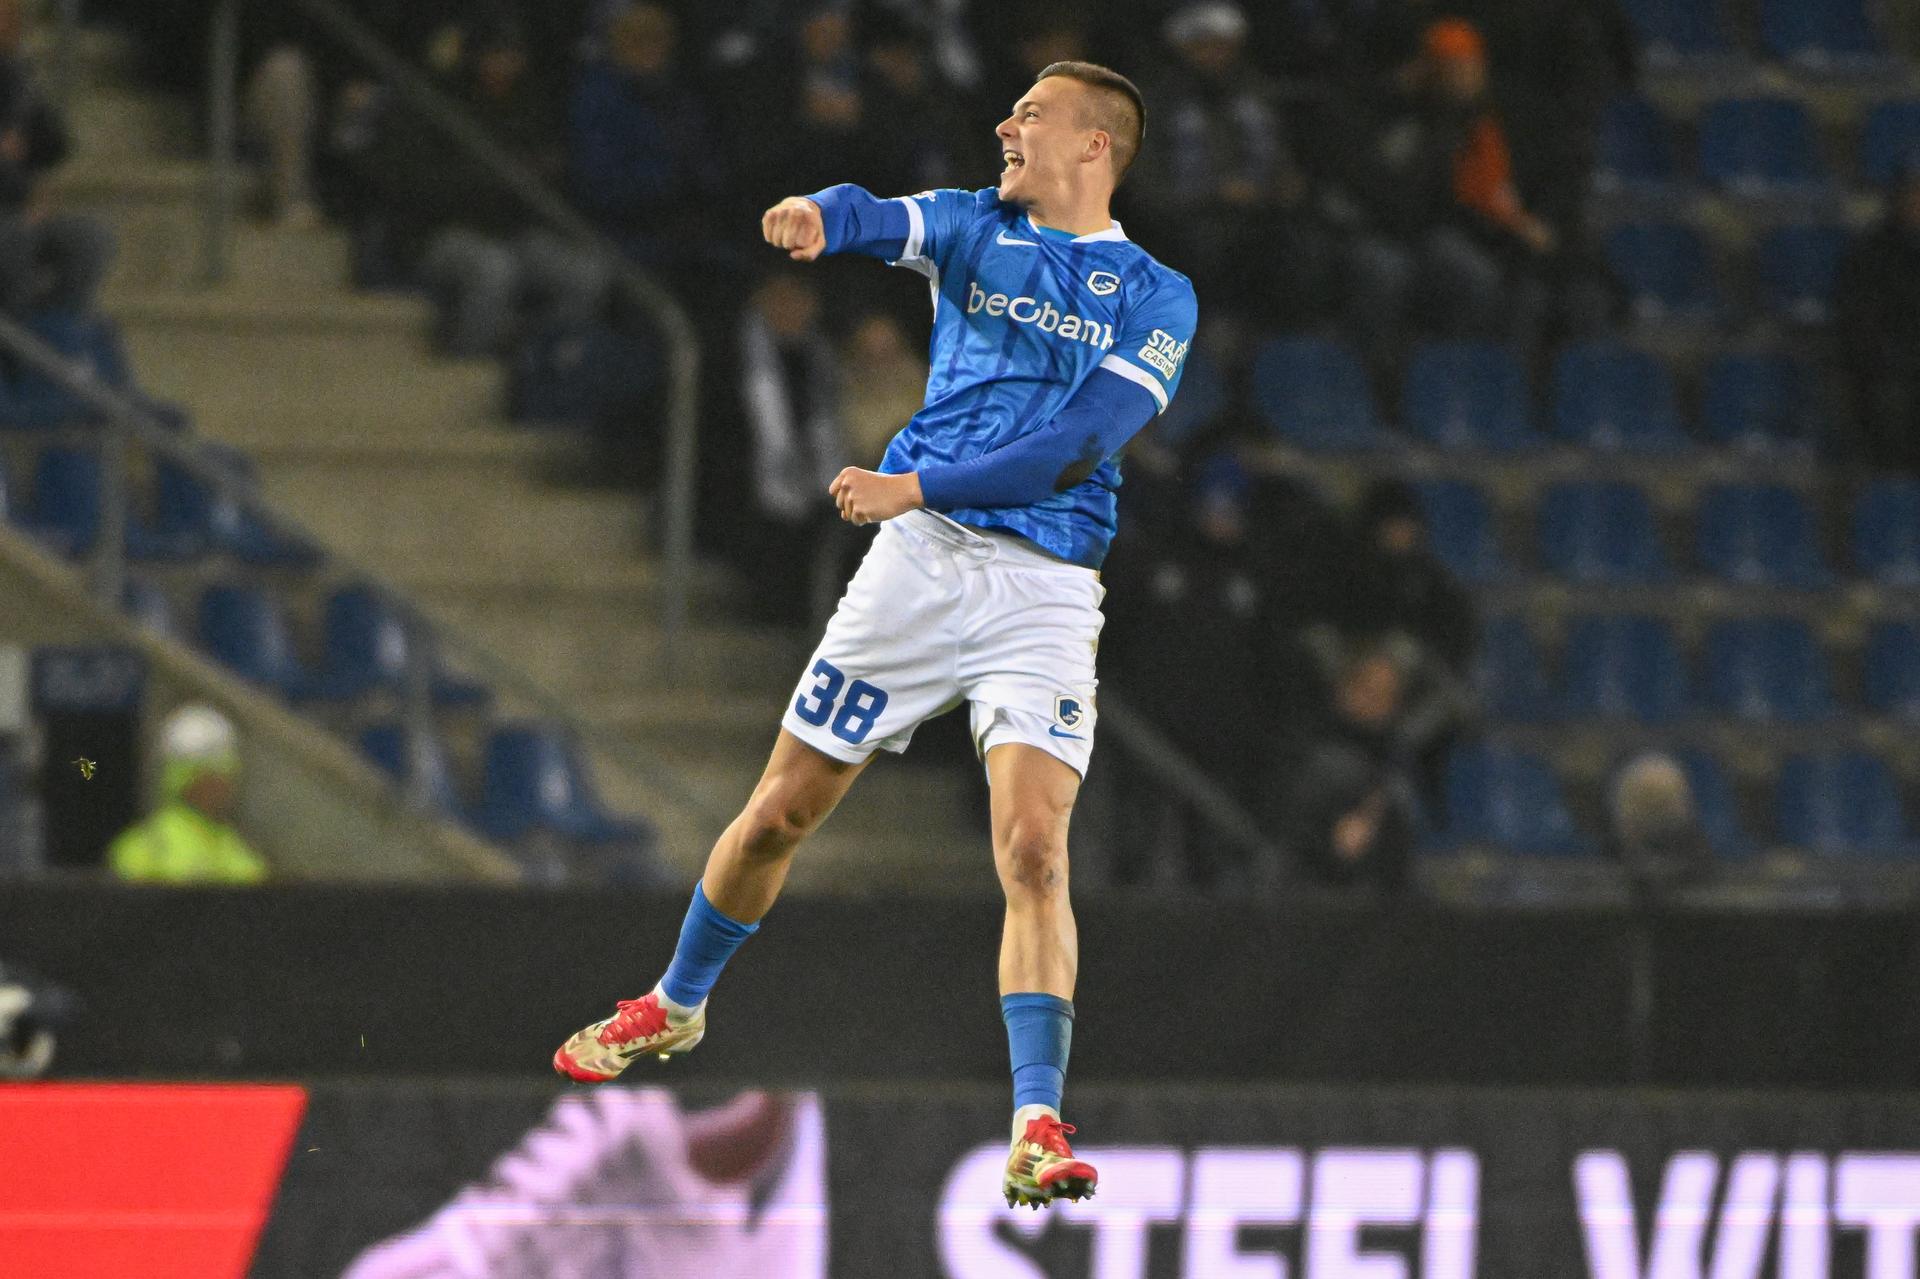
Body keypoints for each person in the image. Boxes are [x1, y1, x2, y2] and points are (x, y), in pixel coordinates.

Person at [553, 60, 1198, 1212]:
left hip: (1041, 586)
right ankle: (678, 1001)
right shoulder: (973, 228)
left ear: (1097, 146)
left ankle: (1037, 1119)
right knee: (781, 811)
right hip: (919, 573)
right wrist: (818, 216)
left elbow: (1075, 448)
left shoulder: (1156, 297)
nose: (1008, 124)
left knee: (1036, 851)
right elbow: (874, 211)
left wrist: (918, 483)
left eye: (1034, 115)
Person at [107, 704, 267, 884]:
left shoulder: (236, 852)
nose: (227, 784)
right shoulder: (140, 852)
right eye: (216, 774)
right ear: (190, 779)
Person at [1834, 163, 1920, 472]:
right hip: (1890, 372)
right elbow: (1861, 328)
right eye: (1915, 194)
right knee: (1893, 399)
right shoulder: (1871, 253)